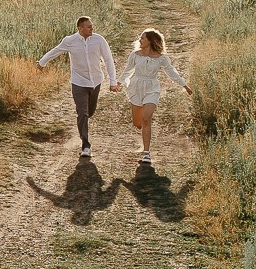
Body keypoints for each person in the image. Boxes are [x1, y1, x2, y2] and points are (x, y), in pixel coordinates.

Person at [38, 15, 119, 157]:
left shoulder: (99, 40)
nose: (91, 28)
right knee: (82, 112)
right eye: (88, 26)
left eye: (91, 25)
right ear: (80, 28)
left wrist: (113, 81)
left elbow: (108, 59)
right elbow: (55, 51)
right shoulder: (70, 41)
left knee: (90, 112)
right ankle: (85, 145)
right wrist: (41, 63)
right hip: (78, 82)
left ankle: (85, 127)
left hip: (96, 81)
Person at [120, 27, 188, 164]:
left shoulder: (161, 58)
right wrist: (118, 83)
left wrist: (184, 85)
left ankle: (146, 153)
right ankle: (142, 129)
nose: (140, 40)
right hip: (136, 87)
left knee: (146, 119)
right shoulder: (135, 55)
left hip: (152, 88)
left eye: (143, 38)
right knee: (137, 122)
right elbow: (127, 71)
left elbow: (171, 71)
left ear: (150, 41)